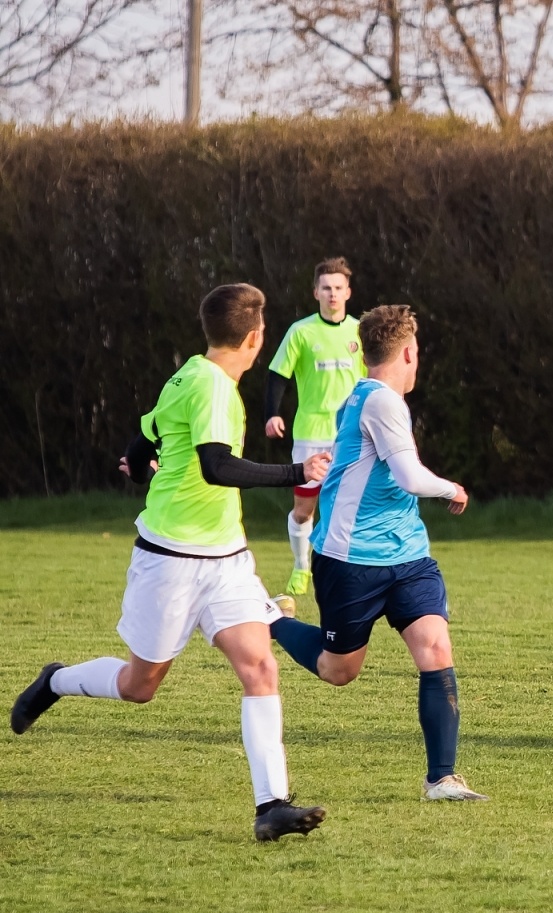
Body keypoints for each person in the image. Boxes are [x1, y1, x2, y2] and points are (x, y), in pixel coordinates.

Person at [9, 283, 331, 842]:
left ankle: (271, 805)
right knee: (140, 685)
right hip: (171, 561)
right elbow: (216, 467)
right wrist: (296, 473)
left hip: (227, 559)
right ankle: (56, 681)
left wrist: (137, 468)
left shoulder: (188, 373)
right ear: (255, 339)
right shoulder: (207, 386)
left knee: (259, 667)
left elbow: (143, 437)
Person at [267, 306, 486, 802]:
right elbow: (410, 477)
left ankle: (442, 778)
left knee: (435, 647)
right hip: (350, 558)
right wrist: (452, 487)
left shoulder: (371, 398)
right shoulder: (380, 402)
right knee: (338, 670)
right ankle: (269, 619)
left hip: (407, 554)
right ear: (408, 353)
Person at [264, 257, 365, 596]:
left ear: (348, 292)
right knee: (304, 508)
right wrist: (271, 414)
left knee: (347, 506)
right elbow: (278, 374)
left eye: (338, 288)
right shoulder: (301, 332)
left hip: (350, 432)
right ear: (315, 292)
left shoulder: (359, 332)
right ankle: (300, 565)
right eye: (326, 288)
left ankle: (345, 571)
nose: (332, 294)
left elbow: (375, 379)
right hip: (310, 431)